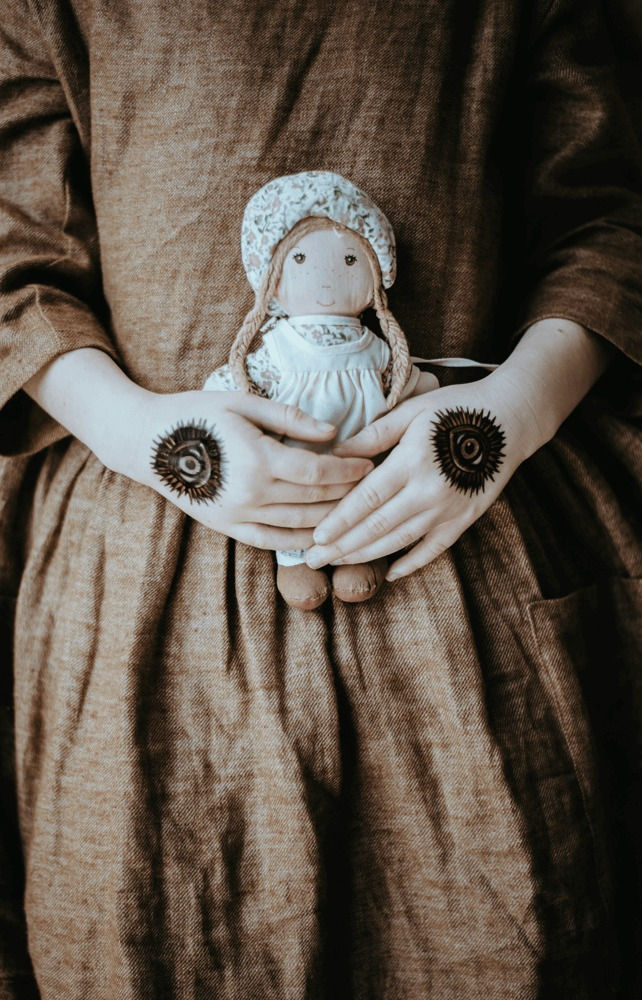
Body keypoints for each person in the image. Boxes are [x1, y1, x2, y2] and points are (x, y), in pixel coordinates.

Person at [0, 0, 640, 997]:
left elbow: (610, 220)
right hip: (142, 588)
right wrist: (155, 439)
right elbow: (11, 251)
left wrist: (506, 415)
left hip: (466, 562)